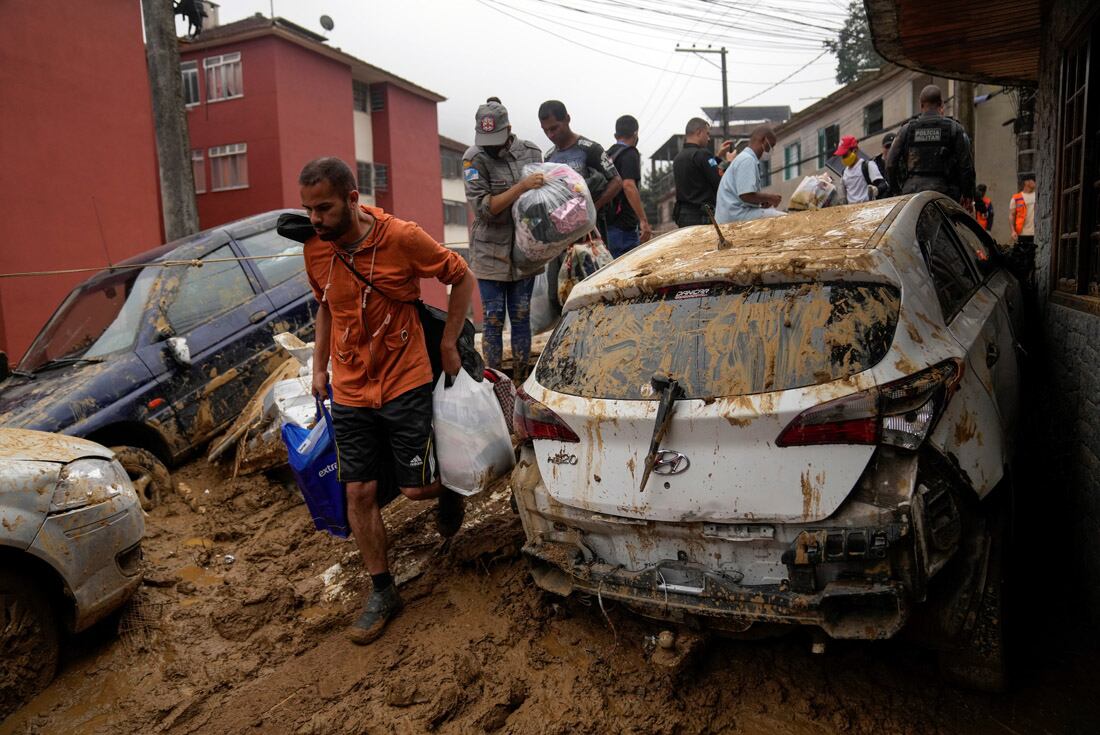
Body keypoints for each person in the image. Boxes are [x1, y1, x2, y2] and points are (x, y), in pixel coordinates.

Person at [299, 157, 475, 645]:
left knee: (416, 489)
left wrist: (447, 344)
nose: (315, 219)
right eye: (309, 209)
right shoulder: (316, 250)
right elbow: (326, 309)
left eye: (325, 208)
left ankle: (452, 490)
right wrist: (319, 368)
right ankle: (382, 591)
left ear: (353, 200)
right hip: (351, 389)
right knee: (358, 492)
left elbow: (460, 276)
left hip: (405, 380)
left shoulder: (401, 238)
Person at [462, 98, 545, 380]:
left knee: (521, 316)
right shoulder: (473, 159)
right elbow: (483, 209)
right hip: (489, 252)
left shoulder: (532, 153)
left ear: (509, 129)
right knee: (494, 320)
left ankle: (521, 381)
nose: (492, 146)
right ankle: (495, 383)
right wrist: (521, 187)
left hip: (524, 248)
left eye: (496, 139)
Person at [538, 100, 622, 305]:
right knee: (561, 294)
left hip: (591, 235)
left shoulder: (590, 149)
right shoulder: (549, 156)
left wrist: (593, 208)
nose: (551, 135)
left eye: (554, 128)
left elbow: (617, 181)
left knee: (593, 290)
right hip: (561, 238)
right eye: (545, 130)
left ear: (567, 119)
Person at [886, 84, 975, 203]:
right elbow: (966, 167)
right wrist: (968, 196)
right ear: (941, 104)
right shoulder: (955, 129)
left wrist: (896, 191)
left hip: (912, 195)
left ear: (921, 105)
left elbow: (890, 164)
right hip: (945, 196)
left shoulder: (906, 130)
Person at [603, 114, 653, 257]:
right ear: (636, 133)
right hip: (624, 228)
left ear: (615, 135)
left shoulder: (607, 155)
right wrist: (643, 221)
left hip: (606, 225)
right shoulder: (630, 153)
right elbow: (629, 185)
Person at [715, 125, 783, 224]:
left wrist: (761, 202)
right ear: (764, 141)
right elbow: (746, 195)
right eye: (770, 146)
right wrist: (770, 197)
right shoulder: (747, 159)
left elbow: (744, 197)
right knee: (784, 219)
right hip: (735, 217)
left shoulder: (744, 158)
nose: (770, 151)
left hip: (732, 214)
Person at [672, 118, 733, 226]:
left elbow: (700, 171)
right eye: (707, 134)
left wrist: (717, 157)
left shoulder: (678, 158)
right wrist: (730, 163)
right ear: (699, 132)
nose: (709, 138)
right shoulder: (703, 154)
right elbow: (719, 182)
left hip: (683, 217)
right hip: (701, 217)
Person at [835, 135, 886, 204]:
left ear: (855, 150)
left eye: (845, 155)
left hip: (868, 209)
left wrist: (877, 190)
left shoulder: (867, 166)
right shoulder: (844, 173)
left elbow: (883, 185)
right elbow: (843, 195)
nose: (843, 158)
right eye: (842, 156)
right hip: (852, 211)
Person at [1010, 175, 1036, 251]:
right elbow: (1012, 215)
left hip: (1035, 233)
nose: (1035, 182)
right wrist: (1013, 231)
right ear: (1026, 182)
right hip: (1022, 234)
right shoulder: (1016, 197)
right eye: (1033, 180)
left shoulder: (1037, 196)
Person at [872, 132, 895, 197]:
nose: (890, 149)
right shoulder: (874, 164)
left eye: (892, 146)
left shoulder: (902, 163)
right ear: (882, 148)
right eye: (887, 147)